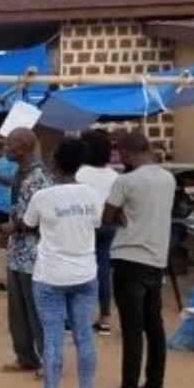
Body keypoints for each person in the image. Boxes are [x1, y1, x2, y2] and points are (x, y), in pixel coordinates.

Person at [20, 140, 104, 388]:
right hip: (85, 274)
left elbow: (29, 224)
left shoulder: (43, 197)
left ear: (54, 163)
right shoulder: (93, 195)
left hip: (50, 276)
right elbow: (94, 225)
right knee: (84, 337)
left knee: (53, 338)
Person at [97, 132, 177, 388]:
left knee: (132, 327)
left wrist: (121, 216)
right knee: (154, 325)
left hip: (129, 257)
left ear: (127, 153)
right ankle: (155, 386)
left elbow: (107, 216)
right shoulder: (168, 179)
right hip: (156, 258)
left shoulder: (126, 181)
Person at [0, 129, 52, 375]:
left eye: (10, 144)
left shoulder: (40, 178)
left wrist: (14, 226)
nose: (5, 148)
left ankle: (50, 361)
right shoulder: (21, 173)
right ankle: (26, 357)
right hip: (17, 252)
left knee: (37, 311)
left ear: (24, 146)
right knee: (17, 311)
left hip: (34, 254)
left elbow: (46, 217)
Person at [75, 129, 120, 335]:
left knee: (79, 269)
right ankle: (105, 319)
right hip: (109, 226)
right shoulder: (114, 176)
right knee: (103, 272)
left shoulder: (79, 174)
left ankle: (77, 317)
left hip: (84, 227)